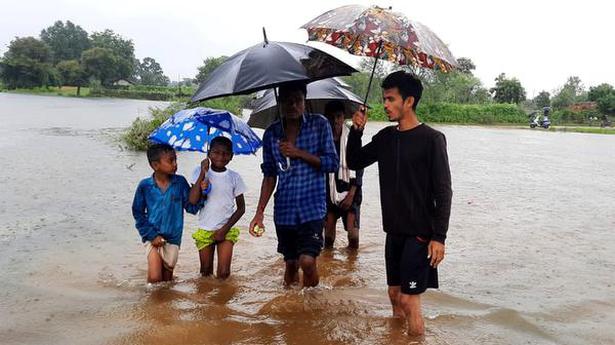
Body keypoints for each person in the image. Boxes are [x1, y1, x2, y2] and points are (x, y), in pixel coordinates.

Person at [346, 71, 452, 335]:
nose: (385, 105)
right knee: (394, 294)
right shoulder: (385, 138)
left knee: (409, 299)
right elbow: (355, 161)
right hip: (393, 231)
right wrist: (356, 132)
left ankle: (416, 339)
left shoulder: (432, 139)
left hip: (419, 233)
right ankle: (397, 339)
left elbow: (444, 191)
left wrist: (439, 237)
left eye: (391, 99)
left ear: (409, 101)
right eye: (384, 99)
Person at [248, 81, 338, 288]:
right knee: (290, 263)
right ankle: (291, 311)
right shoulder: (271, 133)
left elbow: (331, 163)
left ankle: (312, 304)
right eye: (288, 101)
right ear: (280, 103)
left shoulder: (320, 124)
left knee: (307, 261)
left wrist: (298, 153)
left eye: (298, 100)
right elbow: (269, 175)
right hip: (285, 209)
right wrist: (259, 212)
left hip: (312, 208)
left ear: (305, 101)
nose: (293, 106)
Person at [132, 143, 202, 283]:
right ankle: (151, 303)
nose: (175, 164)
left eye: (176, 159)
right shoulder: (145, 186)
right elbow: (138, 213)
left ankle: (165, 304)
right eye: (171, 161)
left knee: (166, 282)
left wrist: (201, 190)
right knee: (154, 278)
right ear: (155, 165)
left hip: (173, 239)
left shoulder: (180, 182)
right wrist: (151, 235)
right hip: (152, 238)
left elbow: (191, 207)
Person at [189, 136, 246, 279]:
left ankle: (221, 300)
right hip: (205, 228)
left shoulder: (234, 177)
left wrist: (224, 229)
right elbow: (193, 200)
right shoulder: (199, 172)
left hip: (226, 230)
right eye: (216, 152)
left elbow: (241, 208)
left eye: (226, 153)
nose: (221, 156)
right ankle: (207, 301)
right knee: (205, 272)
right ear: (209, 154)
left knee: (224, 273)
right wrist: (203, 174)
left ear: (231, 156)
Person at [323, 100, 363, 250]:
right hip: (329, 191)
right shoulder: (322, 140)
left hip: (351, 189)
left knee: (353, 238)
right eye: (330, 117)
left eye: (338, 116)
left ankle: (351, 268)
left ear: (343, 117)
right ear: (325, 118)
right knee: (327, 239)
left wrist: (351, 195)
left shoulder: (352, 136)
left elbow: (359, 168)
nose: (335, 121)